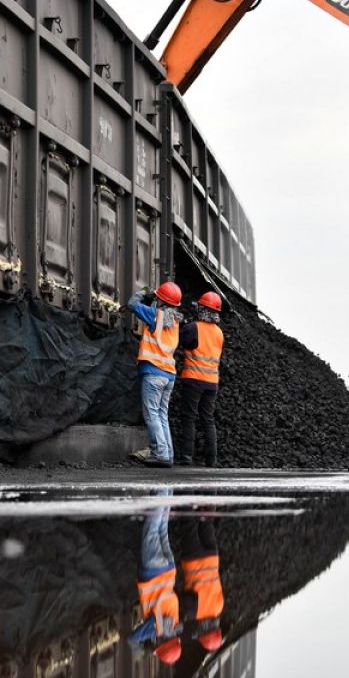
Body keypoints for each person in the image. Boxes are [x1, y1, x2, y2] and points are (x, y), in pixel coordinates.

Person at [127, 281, 184, 468]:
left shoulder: (155, 316)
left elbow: (132, 304)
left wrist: (143, 292)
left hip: (153, 373)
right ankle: (167, 453)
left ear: (160, 301)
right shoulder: (174, 321)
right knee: (161, 414)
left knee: (151, 414)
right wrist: (155, 299)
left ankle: (160, 453)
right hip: (169, 375)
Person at [131, 492, 183, 666]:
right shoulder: (157, 629)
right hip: (154, 571)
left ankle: (167, 488)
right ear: (162, 644)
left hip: (169, 569)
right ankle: (162, 485)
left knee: (161, 526)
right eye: (157, 646)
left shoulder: (174, 622)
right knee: (152, 526)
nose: (154, 644)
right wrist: (140, 650)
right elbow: (132, 638)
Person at [176, 291, 224, 467]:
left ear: (202, 309)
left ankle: (187, 456)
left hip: (194, 378)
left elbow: (180, 341)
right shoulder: (219, 333)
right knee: (208, 419)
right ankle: (211, 459)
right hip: (212, 383)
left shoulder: (193, 327)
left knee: (189, 417)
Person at [178, 515, 224, 654]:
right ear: (203, 631)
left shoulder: (219, 607)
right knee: (188, 523)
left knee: (206, 521)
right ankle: (187, 493)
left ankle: (209, 495)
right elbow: (179, 598)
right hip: (193, 561)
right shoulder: (194, 613)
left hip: (212, 558)